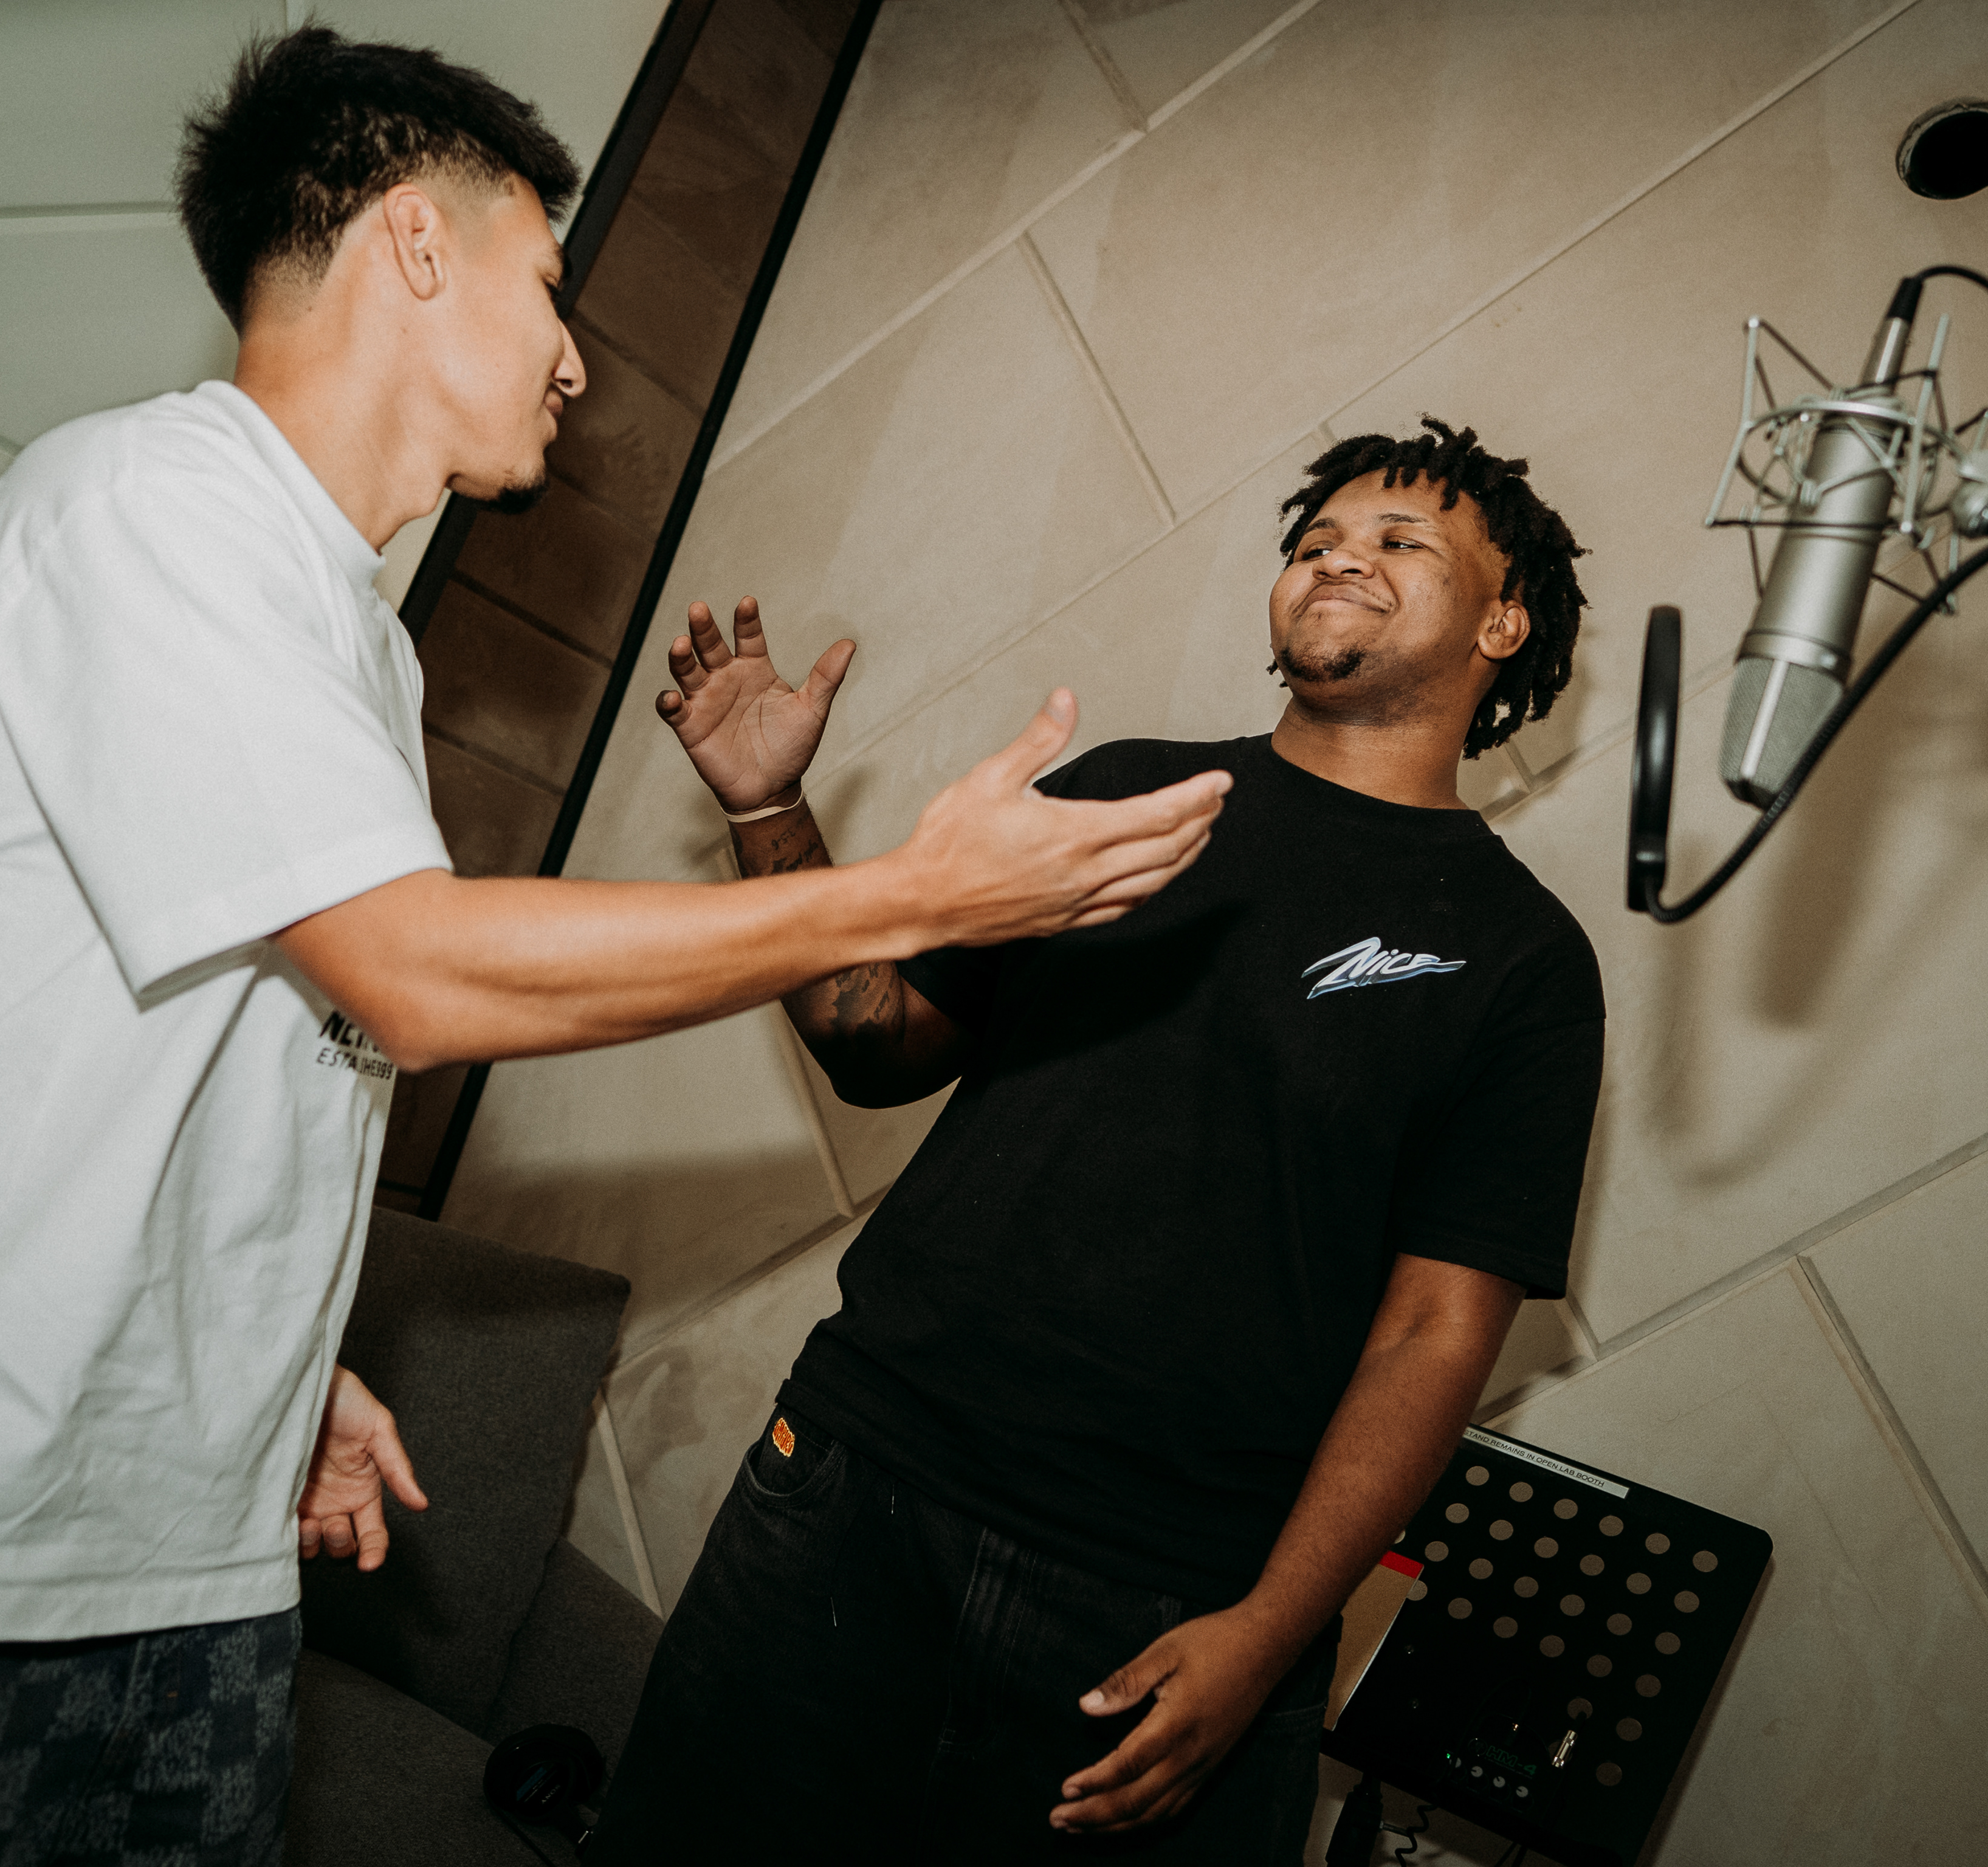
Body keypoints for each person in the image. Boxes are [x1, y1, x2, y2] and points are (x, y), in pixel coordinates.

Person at [0, 29, 1228, 1864]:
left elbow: (237, 1055)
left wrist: (268, 1372)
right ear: (415, 239)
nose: (577, 357)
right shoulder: (146, 502)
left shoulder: (360, 645)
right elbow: (413, 972)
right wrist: (913, 896)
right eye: (548, 282)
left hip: (186, 1574)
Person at [588, 418, 1605, 1864]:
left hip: (1172, 1595)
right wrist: (767, 806)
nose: (1339, 556)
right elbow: (876, 1040)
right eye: (1319, 537)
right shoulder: (1124, 791)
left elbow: (1436, 1333)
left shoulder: (1521, 960)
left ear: (1503, 623)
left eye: (1401, 540)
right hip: (858, 1485)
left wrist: (1271, 1633)